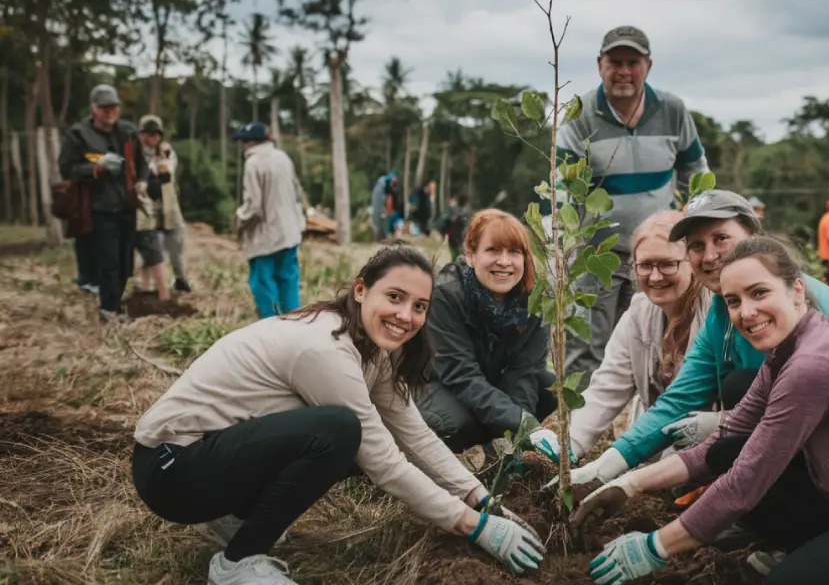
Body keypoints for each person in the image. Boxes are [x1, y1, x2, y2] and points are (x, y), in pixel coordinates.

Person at [130, 244, 546, 585]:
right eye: (395, 297)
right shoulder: (325, 349)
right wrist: (472, 525)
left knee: (342, 436)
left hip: (207, 455)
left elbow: (414, 433)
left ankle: (235, 517)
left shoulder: (373, 349)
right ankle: (236, 563)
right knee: (340, 432)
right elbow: (385, 463)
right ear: (361, 289)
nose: (406, 316)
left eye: (420, 306)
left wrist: (482, 500)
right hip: (172, 471)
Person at [572, 235, 829, 585]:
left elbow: (746, 482)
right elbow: (722, 441)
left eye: (759, 293)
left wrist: (654, 547)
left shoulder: (816, 364)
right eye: (733, 301)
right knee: (727, 451)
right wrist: (629, 484)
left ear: (797, 290)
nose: (746, 312)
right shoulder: (786, 351)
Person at [557, 190, 829, 496]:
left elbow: (803, 404)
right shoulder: (724, 309)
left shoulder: (790, 301)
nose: (709, 256)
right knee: (735, 413)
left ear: (754, 238)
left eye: (721, 239)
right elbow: (680, 399)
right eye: (697, 246)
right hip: (810, 434)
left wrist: (724, 424)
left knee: (734, 426)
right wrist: (603, 468)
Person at [552, 25, 710, 388]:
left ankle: (651, 413)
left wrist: (694, 220)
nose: (624, 71)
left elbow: (695, 171)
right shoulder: (580, 115)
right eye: (615, 62)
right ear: (600, 65)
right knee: (586, 344)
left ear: (647, 66)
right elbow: (562, 186)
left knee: (657, 339)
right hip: (595, 253)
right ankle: (582, 418)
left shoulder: (672, 109)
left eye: (632, 63)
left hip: (658, 255)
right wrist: (561, 240)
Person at [527, 210, 711, 464]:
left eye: (668, 263)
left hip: (710, 446)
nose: (655, 276)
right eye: (645, 265)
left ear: (691, 261)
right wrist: (569, 446)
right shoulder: (638, 313)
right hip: (656, 445)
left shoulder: (712, 313)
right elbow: (606, 389)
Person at [414, 209, 557, 453]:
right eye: (493, 250)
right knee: (449, 423)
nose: (504, 261)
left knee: (551, 388)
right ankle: (467, 446)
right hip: (442, 382)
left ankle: (499, 449)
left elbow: (524, 373)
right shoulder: (446, 296)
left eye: (514, 252)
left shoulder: (536, 301)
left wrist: (519, 433)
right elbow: (462, 375)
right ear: (471, 256)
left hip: (490, 382)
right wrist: (522, 422)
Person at [58, 84, 151, 322]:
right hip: (98, 208)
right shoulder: (78, 134)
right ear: (94, 109)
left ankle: (115, 303)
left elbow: (142, 163)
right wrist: (96, 168)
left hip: (126, 206)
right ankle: (108, 309)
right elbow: (67, 169)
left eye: (113, 107)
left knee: (124, 262)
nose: (109, 111)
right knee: (109, 261)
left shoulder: (128, 132)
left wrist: (142, 181)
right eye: (104, 107)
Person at [232, 122, 306, 319]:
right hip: (289, 232)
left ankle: (272, 326)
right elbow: (296, 192)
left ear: (249, 142)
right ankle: (294, 323)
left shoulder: (253, 163)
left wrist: (239, 221)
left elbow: (253, 206)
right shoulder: (282, 157)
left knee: (264, 284)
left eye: (243, 141)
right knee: (288, 281)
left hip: (265, 237)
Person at [137, 115, 191, 293]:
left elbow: (166, 172)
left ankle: (180, 279)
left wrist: (159, 161)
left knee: (176, 246)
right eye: (148, 133)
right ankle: (147, 286)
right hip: (146, 208)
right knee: (150, 250)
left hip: (169, 206)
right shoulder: (136, 154)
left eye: (156, 133)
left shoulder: (166, 152)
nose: (153, 137)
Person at [371, 173, 397, 239]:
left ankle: (383, 235)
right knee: (380, 220)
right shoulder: (383, 181)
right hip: (379, 206)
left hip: (381, 206)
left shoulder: (383, 186)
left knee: (383, 220)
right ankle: (380, 235)